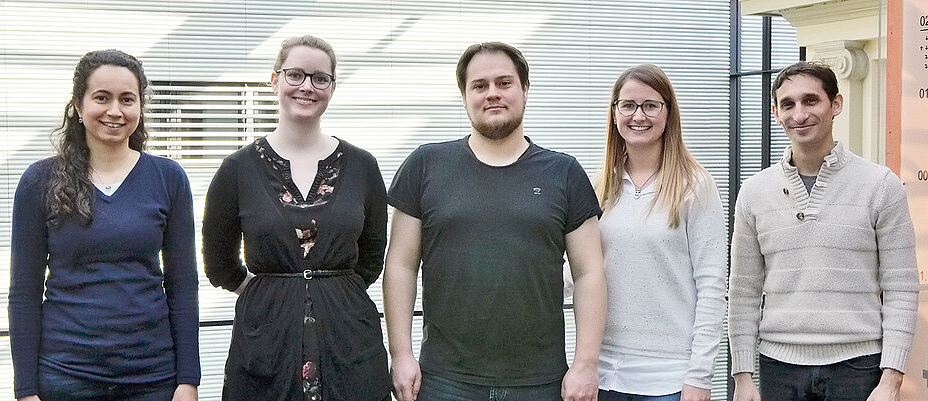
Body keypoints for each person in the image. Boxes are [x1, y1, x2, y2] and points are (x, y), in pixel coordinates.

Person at [384, 42, 608, 401]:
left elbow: (589, 272)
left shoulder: (564, 173)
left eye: (504, 83)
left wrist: (586, 364)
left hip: (540, 382)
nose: (492, 94)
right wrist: (401, 353)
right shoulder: (425, 165)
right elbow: (400, 264)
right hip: (444, 381)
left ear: (525, 90)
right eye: (479, 85)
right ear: (464, 95)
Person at [202, 35, 390, 401]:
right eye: (295, 75)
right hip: (264, 342)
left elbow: (371, 257)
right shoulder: (237, 170)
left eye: (320, 78)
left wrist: (332, 292)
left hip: (349, 338)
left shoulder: (363, 167)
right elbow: (218, 262)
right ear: (274, 80)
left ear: (332, 88)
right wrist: (270, 292)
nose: (307, 86)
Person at [8, 49, 200, 401]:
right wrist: (25, 390)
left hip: (153, 380)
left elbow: (183, 286)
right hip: (66, 379)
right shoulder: (40, 181)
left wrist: (188, 380)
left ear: (140, 108)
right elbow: (24, 294)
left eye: (128, 99)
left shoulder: (169, 178)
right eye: (102, 98)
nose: (115, 110)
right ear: (79, 107)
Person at [728, 61, 919, 401]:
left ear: (836, 104)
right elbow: (743, 291)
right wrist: (742, 377)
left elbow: (902, 287)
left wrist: (891, 380)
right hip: (778, 369)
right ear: (775, 112)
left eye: (810, 100)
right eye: (787, 104)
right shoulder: (754, 192)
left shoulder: (881, 186)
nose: (799, 114)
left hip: (859, 369)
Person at [592, 64, 726, 401]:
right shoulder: (599, 188)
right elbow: (579, 273)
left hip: (669, 381)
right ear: (614, 112)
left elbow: (712, 287)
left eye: (651, 105)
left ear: (668, 113)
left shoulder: (695, 186)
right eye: (628, 105)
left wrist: (700, 376)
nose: (639, 116)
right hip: (604, 374)